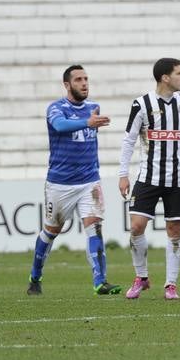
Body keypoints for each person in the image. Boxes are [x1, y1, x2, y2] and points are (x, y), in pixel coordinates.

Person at [26, 65, 121, 296]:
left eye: (86, 79)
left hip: (89, 180)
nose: (84, 83)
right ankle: (35, 276)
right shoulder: (56, 109)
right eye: (78, 79)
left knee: (94, 227)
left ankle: (100, 281)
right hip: (60, 183)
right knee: (51, 231)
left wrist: (90, 123)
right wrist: (87, 123)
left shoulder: (93, 108)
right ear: (67, 85)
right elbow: (60, 126)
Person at [119, 57, 180, 301]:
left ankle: (170, 285)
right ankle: (141, 277)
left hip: (177, 179)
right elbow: (129, 140)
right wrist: (123, 174)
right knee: (136, 226)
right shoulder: (142, 104)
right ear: (165, 77)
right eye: (179, 73)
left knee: (174, 231)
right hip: (148, 177)